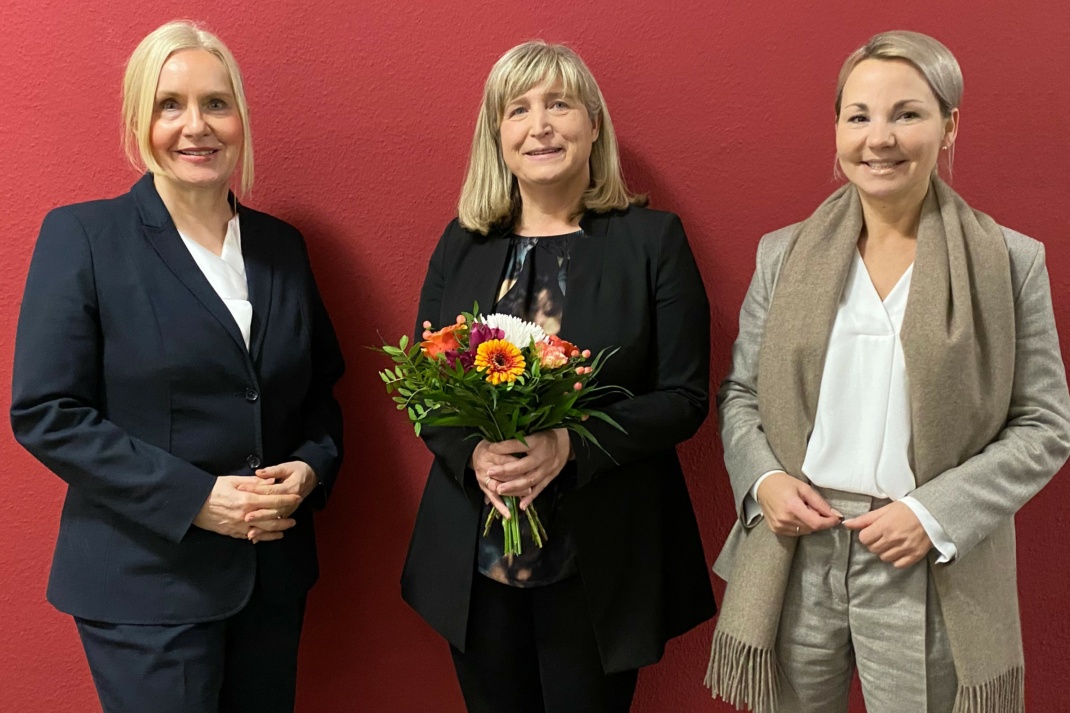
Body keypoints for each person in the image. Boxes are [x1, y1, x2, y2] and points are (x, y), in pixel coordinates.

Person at [706, 30, 1070, 713]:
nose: (880, 138)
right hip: (797, 548)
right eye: (859, 116)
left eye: (907, 114)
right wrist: (764, 480)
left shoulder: (1011, 262)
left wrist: (931, 514)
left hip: (926, 559)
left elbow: (1047, 424)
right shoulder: (783, 256)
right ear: (837, 129)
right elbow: (742, 395)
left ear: (949, 125)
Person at [10, 21, 344, 713]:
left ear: (241, 119)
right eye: (171, 105)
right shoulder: (83, 237)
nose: (197, 126)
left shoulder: (283, 247)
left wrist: (312, 466)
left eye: (216, 104)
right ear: (140, 119)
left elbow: (319, 397)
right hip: (145, 586)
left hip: (271, 580)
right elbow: (46, 412)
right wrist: (196, 499)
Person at [401, 40, 715, 712]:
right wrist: (476, 452)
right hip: (476, 560)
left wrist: (570, 445)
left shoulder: (653, 241)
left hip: (600, 559)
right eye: (518, 109)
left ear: (593, 125)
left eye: (560, 104)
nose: (540, 124)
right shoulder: (460, 244)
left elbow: (685, 398)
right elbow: (424, 391)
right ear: (499, 136)